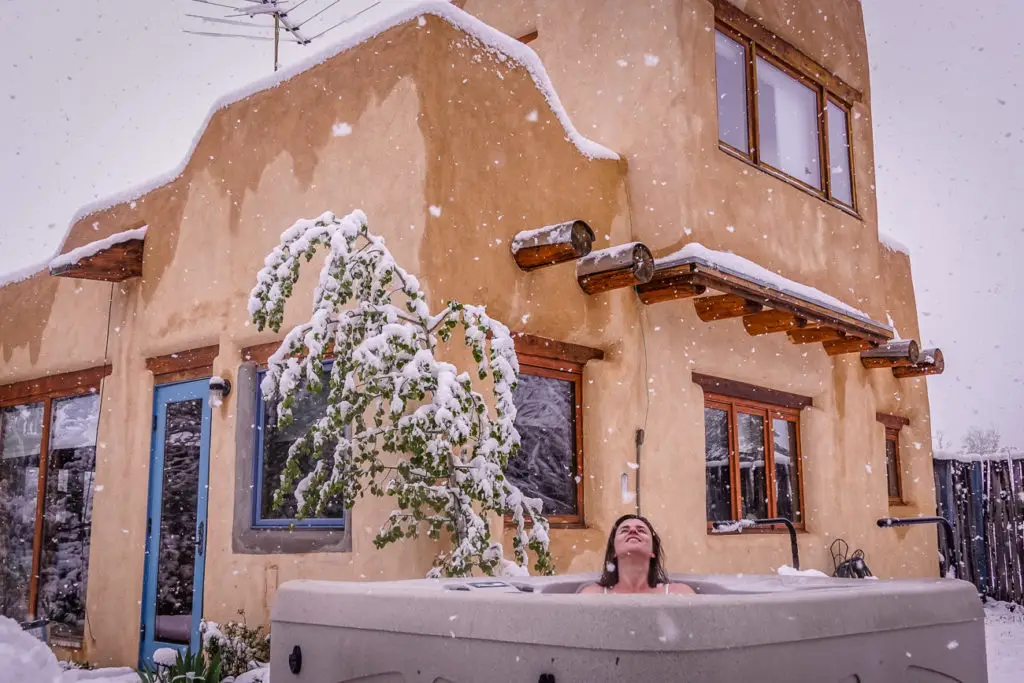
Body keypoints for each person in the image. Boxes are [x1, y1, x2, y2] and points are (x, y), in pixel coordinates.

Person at [579, 514, 696, 595]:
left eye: (641, 530)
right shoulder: (592, 595)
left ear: (653, 552)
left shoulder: (679, 593)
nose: (633, 531)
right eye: (624, 530)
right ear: (614, 551)